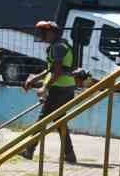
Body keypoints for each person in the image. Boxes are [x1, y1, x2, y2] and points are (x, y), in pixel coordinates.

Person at [21, 19, 80, 164]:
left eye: (44, 32)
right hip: (66, 87)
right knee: (59, 121)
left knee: (43, 119)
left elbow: (58, 72)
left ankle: (29, 150)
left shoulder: (58, 47)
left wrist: (45, 88)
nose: (42, 35)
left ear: (53, 33)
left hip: (60, 88)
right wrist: (35, 79)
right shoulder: (58, 45)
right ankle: (69, 154)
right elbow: (51, 69)